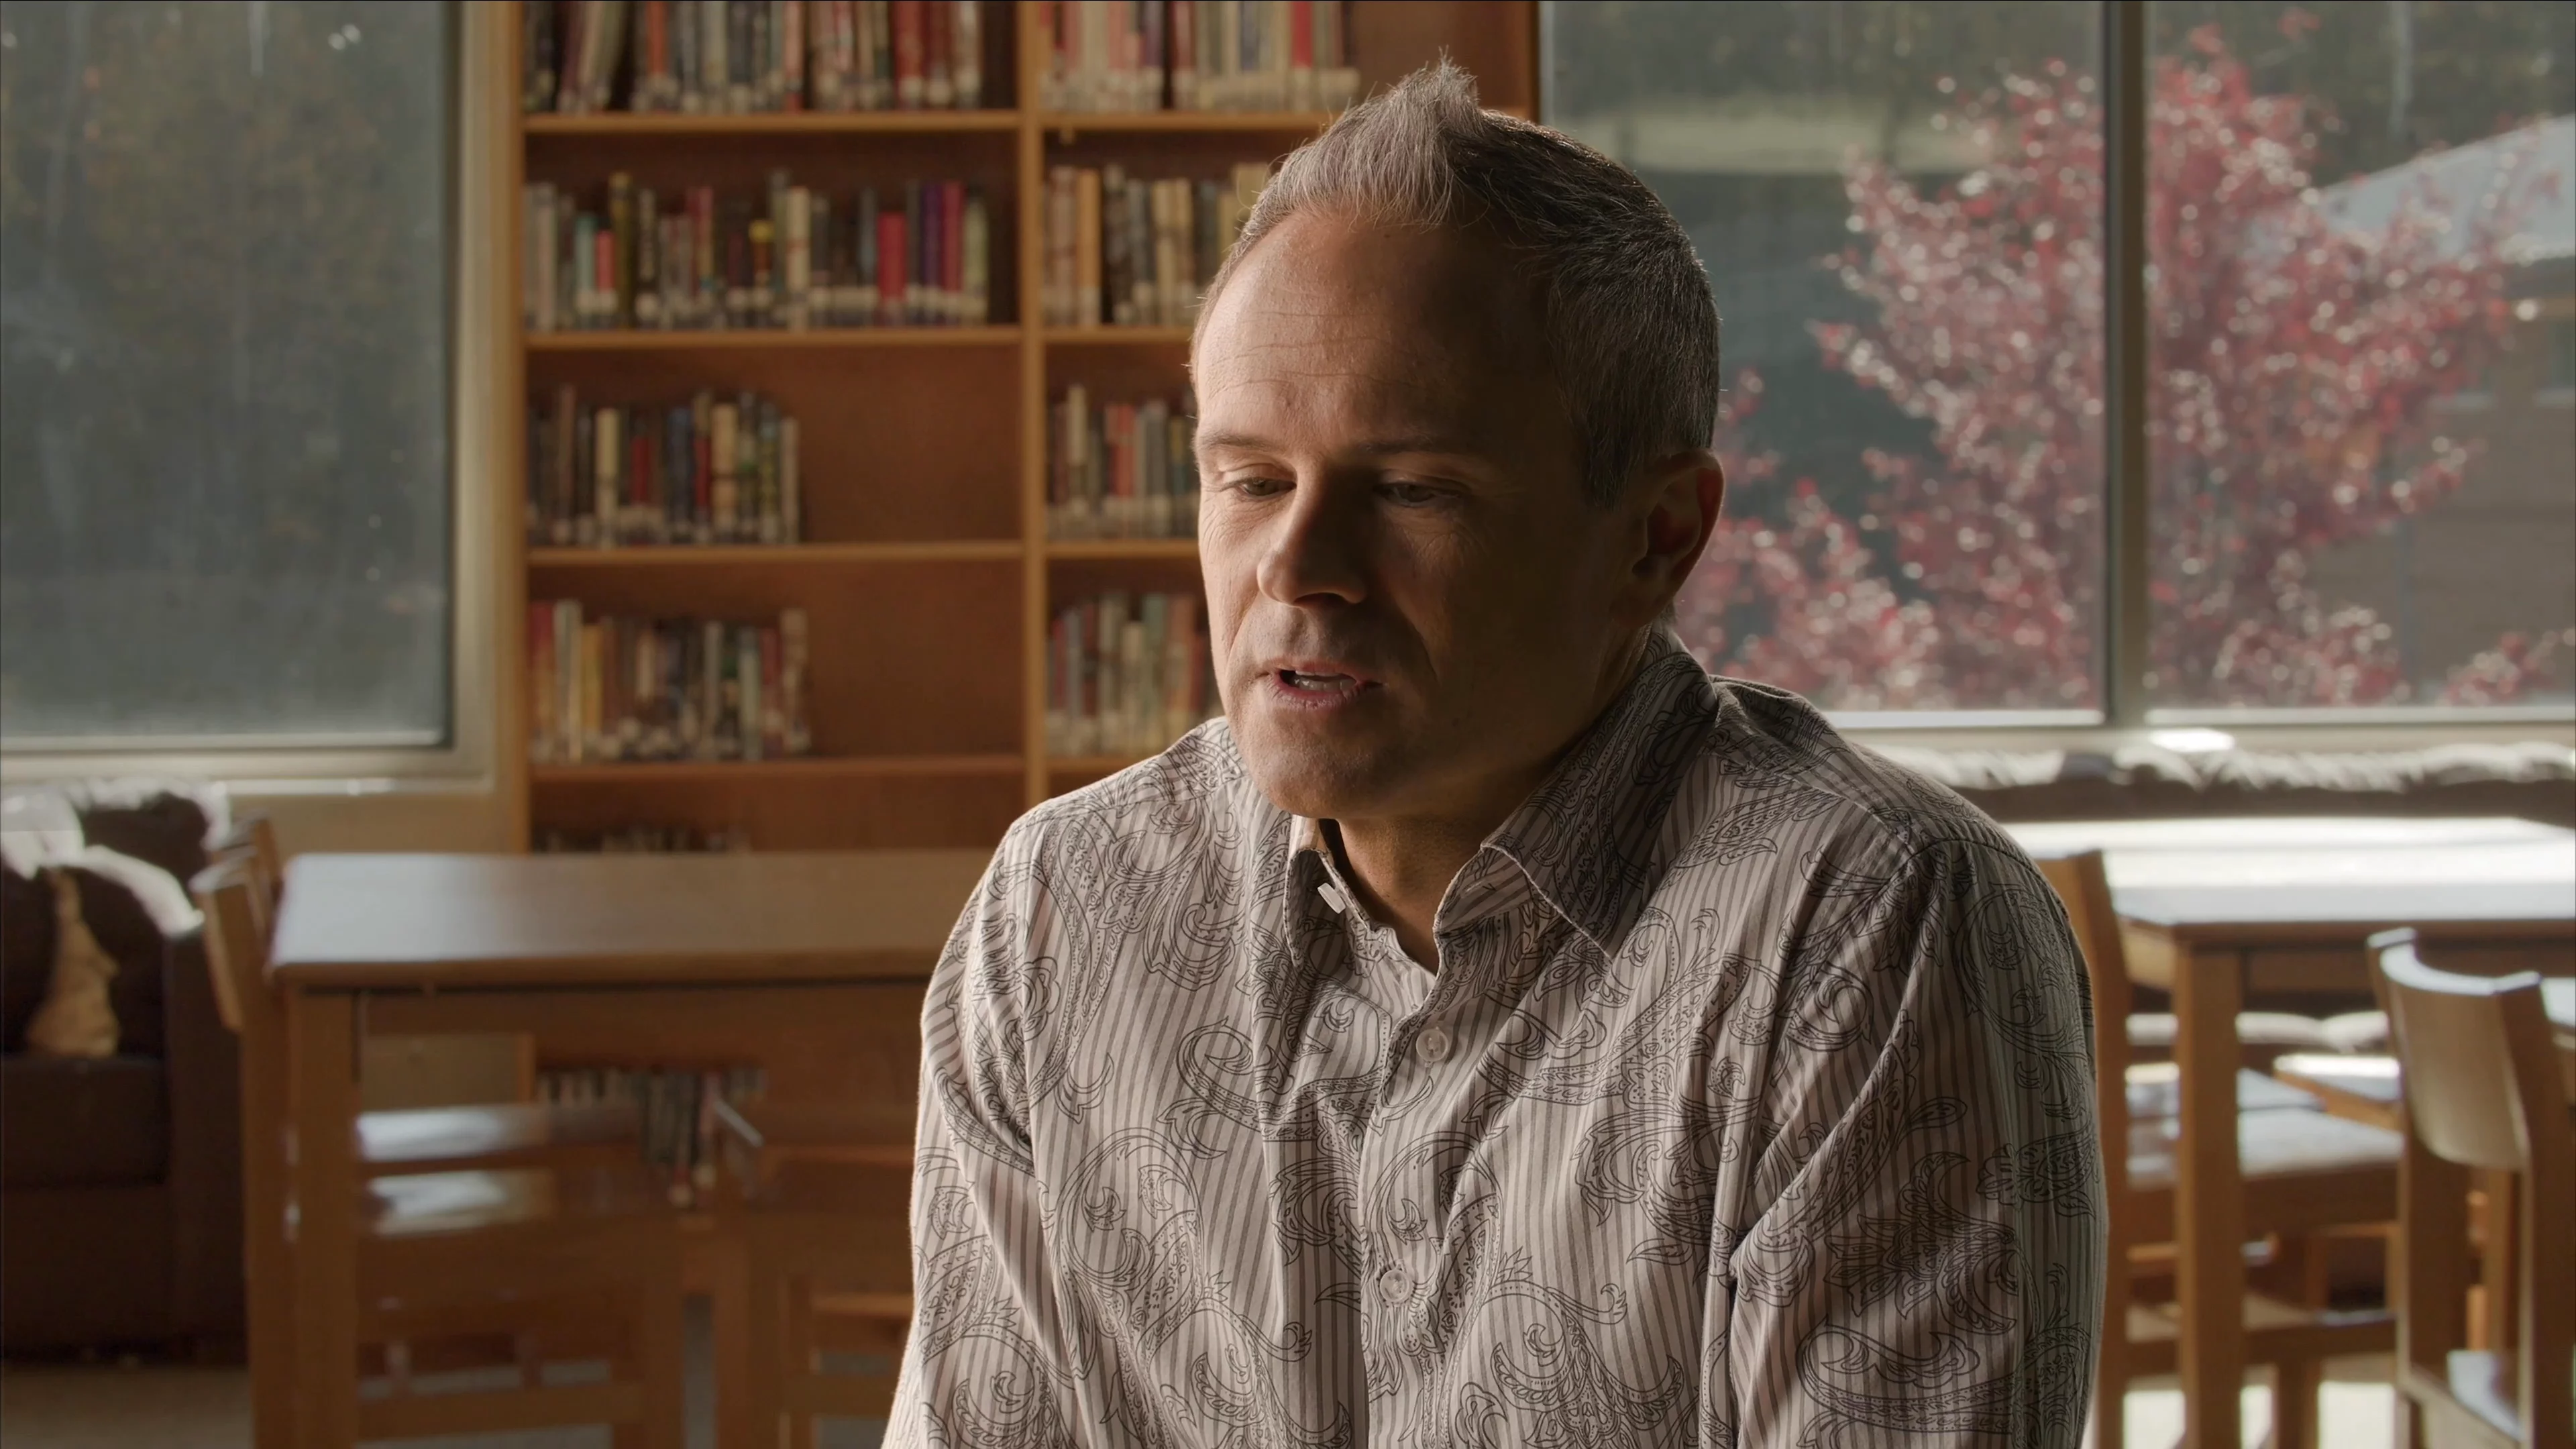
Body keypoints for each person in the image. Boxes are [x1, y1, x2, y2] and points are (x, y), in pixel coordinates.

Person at [886, 61, 2102, 1448]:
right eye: (1252, 481)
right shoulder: (1067, 909)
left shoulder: (1866, 933)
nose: (1297, 565)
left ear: (1655, 539)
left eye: (1414, 489)